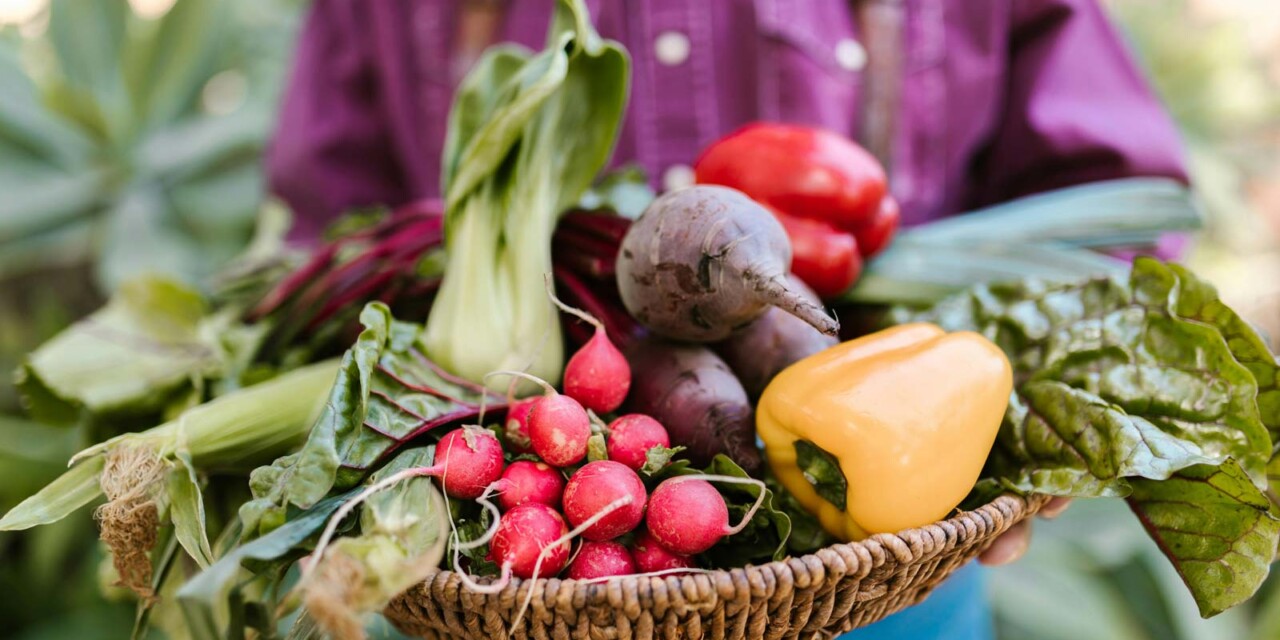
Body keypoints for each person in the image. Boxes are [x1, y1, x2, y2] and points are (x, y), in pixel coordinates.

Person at [266, 1, 1184, 638]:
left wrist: (1033, 406)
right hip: (497, 603)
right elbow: (333, 225)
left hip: (888, 590)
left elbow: (1110, 201)